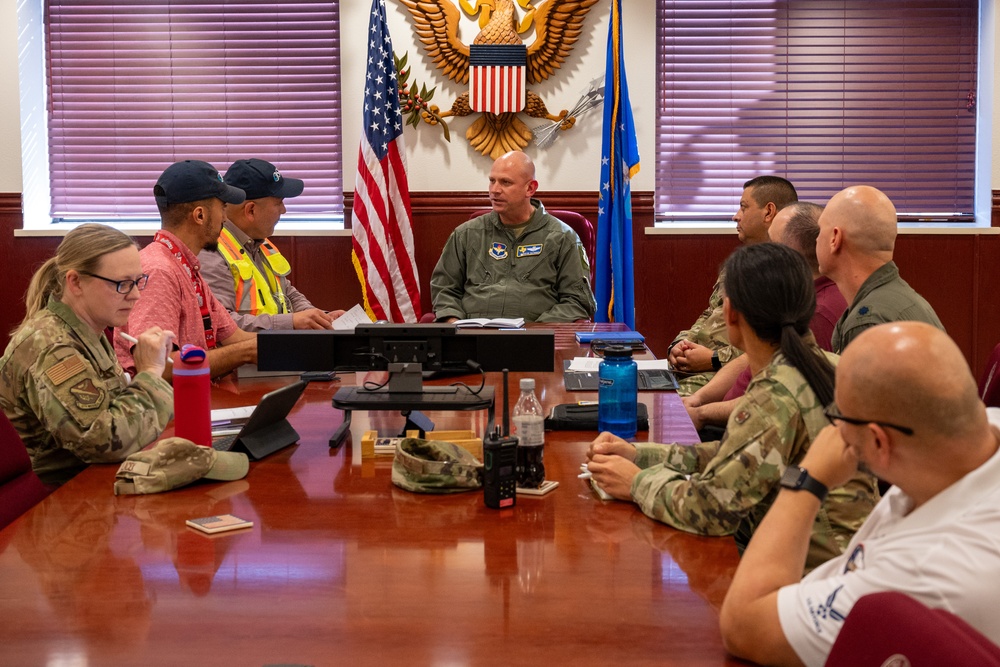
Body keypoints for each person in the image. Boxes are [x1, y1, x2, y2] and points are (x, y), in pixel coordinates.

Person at [719, 322, 1000, 666]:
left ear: (880, 442)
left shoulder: (922, 573)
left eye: (839, 416)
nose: (834, 430)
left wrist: (808, 479)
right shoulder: (976, 434)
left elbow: (743, 626)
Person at [587, 243, 878, 571]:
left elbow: (713, 510)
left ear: (730, 314)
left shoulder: (777, 393)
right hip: (847, 561)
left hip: (815, 576)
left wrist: (636, 484)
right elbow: (739, 456)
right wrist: (640, 455)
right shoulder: (825, 364)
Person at [0, 224, 175, 486]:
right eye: (122, 284)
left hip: (92, 480)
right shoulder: (52, 346)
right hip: (59, 499)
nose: (136, 295)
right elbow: (103, 442)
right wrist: (149, 372)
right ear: (76, 282)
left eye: (138, 281)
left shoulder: (87, 328)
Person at [684, 202, 847, 434]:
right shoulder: (793, 296)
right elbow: (751, 357)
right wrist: (698, 400)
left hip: (742, 427)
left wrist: (702, 413)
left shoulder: (816, 313)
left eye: (771, 243)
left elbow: (772, 403)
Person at [114, 160, 257, 380]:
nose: (225, 218)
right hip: (164, 410)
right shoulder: (159, 271)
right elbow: (160, 368)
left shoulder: (184, 266)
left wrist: (304, 345)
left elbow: (237, 338)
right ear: (200, 216)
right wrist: (244, 354)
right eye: (223, 208)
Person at [429, 150, 596, 323]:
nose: (495, 190)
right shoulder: (466, 234)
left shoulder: (562, 237)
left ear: (530, 188)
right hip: (471, 338)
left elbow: (576, 301)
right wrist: (454, 323)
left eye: (505, 182)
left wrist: (536, 331)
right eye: (492, 181)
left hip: (536, 341)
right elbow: (444, 289)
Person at [668, 175, 798, 395]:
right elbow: (712, 311)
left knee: (659, 410)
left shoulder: (787, 275)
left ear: (768, 212)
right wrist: (681, 344)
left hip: (723, 375)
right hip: (693, 366)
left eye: (743, 207)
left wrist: (714, 359)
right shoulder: (738, 264)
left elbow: (775, 348)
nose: (735, 216)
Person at [199, 158, 345, 332]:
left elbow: (287, 293)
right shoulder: (210, 252)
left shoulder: (259, 242)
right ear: (250, 210)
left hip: (273, 349)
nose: (283, 210)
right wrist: (291, 322)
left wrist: (319, 317)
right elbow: (221, 324)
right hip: (246, 357)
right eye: (279, 202)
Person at [816, 185, 943, 353]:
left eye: (819, 230)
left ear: (835, 238)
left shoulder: (868, 323)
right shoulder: (903, 299)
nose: (816, 239)